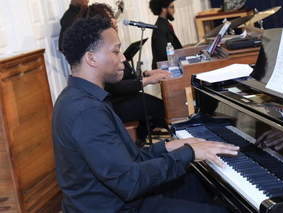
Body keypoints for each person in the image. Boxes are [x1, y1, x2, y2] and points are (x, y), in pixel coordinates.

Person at [53, 15, 240, 213]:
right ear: (91, 58)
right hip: (118, 207)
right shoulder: (87, 112)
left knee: (203, 185)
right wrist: (190, 153)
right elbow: (131, 181)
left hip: (123, 197)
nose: (123, 58)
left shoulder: (78, 96)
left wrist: (168, 147)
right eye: (116, 51)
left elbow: (126, 161)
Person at [77, 3, 172, 145]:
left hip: (125, 98)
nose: (115, 21)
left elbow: (126, 74)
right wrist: (148, 80)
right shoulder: (101, 50)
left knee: (158, 106)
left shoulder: (110, 43)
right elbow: (115, 87)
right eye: (110, 18)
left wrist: (147, 73)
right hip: (115, 103)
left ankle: (138, 143)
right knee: (160, 109)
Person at [149, 0, 183, 69]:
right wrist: (182, 52)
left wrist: (185, 50)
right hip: (164, 68)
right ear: (164, 9)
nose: (174, 10)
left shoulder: (165, 24)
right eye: (172, 7)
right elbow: (164, 54)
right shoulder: (159, 29)